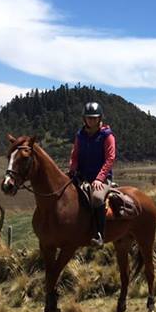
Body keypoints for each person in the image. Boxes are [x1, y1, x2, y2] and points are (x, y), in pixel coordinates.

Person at [68, 101, 117, 246]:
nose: (91, 120)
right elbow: (75, 155)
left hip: (101, 178)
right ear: (84, 119)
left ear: (99, 118)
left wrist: (100, 178)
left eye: (94, 118)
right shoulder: (80, 135)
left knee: (96, 197)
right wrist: (72, 169)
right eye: (89, 118)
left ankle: (99, 234)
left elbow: (110, 159)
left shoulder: (107, 136)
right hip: (82, 176)